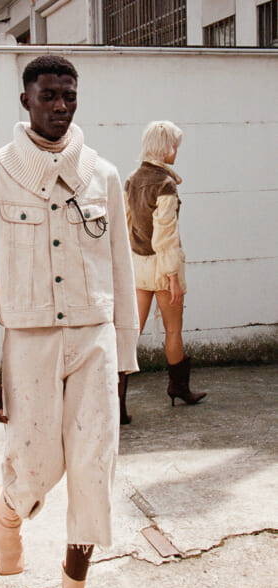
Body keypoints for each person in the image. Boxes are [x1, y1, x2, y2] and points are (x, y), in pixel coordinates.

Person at [0, 55, 139, 588]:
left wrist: (125, 356)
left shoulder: (103, 175)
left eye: (69, 95)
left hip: (94, 342)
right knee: (34, 469)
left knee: (92, 476)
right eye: (48, 95)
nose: (61, 106)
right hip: (28, 344)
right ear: (25, 100)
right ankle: (8, 509)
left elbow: (122, 269)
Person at [120, 120, 206, 421]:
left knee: (129, 333)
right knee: (172, 330)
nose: (176, 152)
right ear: (165, 148)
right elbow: (165, 235)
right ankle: (179, 388)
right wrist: (173, 278)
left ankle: (116, 402)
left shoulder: (132, 179)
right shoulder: (165, 184)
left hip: (138, 265)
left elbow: (126, 225)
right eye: (175, 147)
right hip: (162, 267)